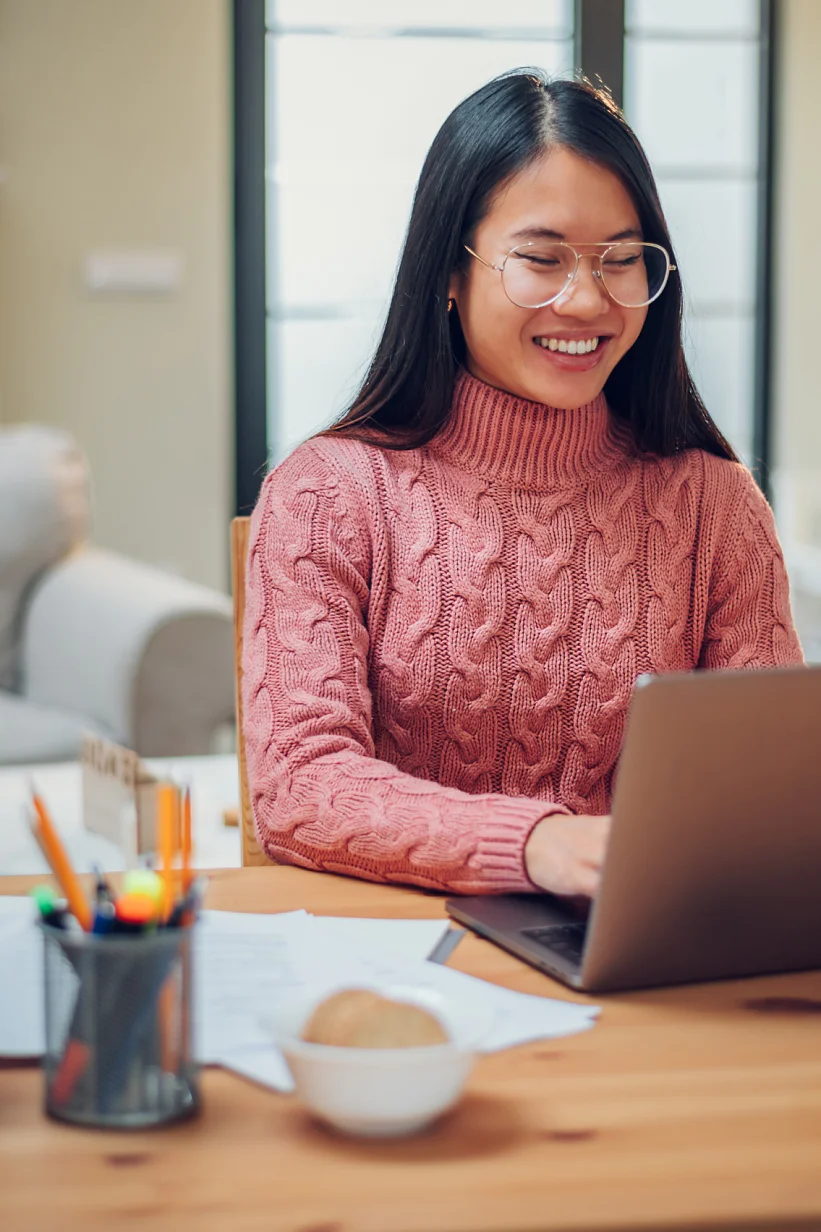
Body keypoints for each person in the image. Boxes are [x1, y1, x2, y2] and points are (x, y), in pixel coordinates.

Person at [242, 71, 803, 900]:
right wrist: (536, 846)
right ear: (449, 270)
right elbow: (299, 784)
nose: (587, 300)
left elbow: (765, 792)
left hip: (627, 959)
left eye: (622, 260)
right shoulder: (328, 495)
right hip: (391, 962)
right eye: (540, 260)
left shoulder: (712, 507)